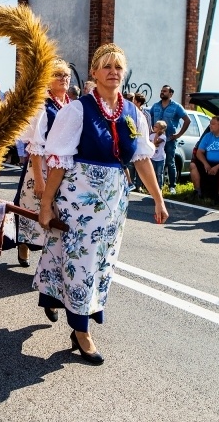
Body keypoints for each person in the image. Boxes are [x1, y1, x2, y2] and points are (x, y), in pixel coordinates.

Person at [35, 43, 168, 365]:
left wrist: (158, 200)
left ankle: (55, 296)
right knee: (81, 260)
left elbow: (142, 160)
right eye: (106, 66)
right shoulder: (77, 110)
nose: (113, 72)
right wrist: (46, 204)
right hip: (78, 196)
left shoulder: (133, 112)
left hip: (113, 200)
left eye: (118, 67)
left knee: (100, 261)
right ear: (94, 72)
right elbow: (58, 161)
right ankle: (81, 330)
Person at [15, 58, 72, 267]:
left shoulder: (70, 105)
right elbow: (35, 146)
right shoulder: (43, 106)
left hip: (63, 167)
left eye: (66, 75)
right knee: (32, 206)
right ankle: (24, 246)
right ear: (48, 79)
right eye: (58, 75)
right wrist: (39, 179)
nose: (64, 79)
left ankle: (50, 257)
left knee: (57, 210)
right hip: (42, 165)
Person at [150, 85, 190, 194]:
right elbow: (149, 118)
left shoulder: (177, 107)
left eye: (165, 91)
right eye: (161, 91)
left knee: (170, 162)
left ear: (171, 94)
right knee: (154, 161)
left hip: (169, 140)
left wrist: (178, 135)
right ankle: (156, 186)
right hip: (156, 140)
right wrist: (150, 132)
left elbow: (187, 120)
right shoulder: (155, 106)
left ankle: (172, 186)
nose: (162, 92)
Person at [189, 115, 219, 202]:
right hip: (208, 162)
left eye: (213, 124)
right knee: (193, 165)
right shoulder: (208, 136)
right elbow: (199, 152)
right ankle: (198, 192)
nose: (210, 126)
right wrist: (205, 164)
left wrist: (217, 167)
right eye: (210, 124)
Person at [149, 120, 168, 192]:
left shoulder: (163, 137)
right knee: (152, 173)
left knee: (159, 173)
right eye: (154, 126)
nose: (154, 127)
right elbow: (152, 144)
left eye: (156, 127)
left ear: (161, 129)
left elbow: (156, 142)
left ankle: (159, 188)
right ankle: (152, 188)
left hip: (160, 158)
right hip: (153, 157)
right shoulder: (151, 135)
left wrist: (157, 134)